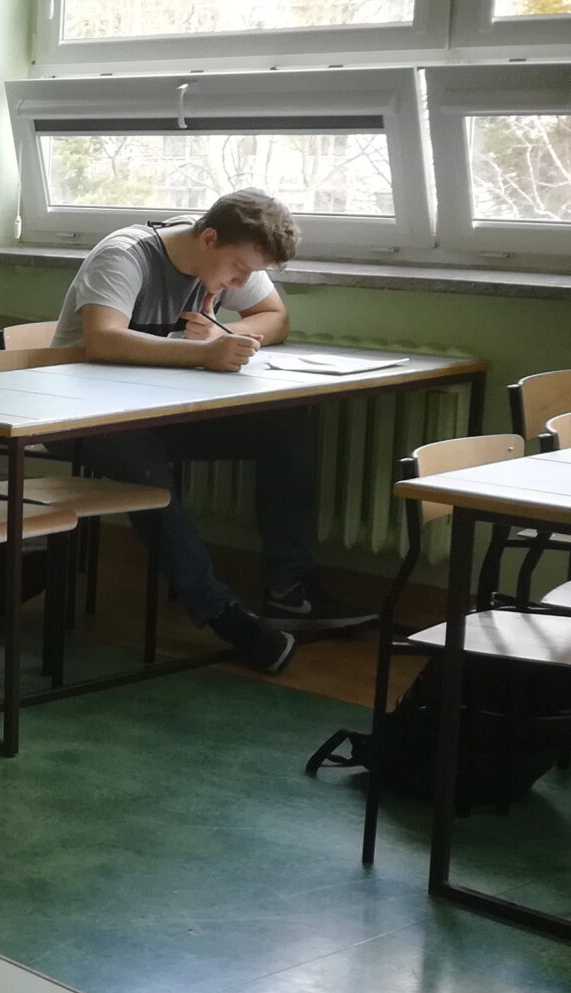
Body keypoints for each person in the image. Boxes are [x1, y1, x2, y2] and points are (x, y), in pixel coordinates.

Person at [52, 189, 374, 671]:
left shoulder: (229, 254)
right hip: (80, 416)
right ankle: (220, 611)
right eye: (238, 270)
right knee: (145, 469)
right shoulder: (123, 256)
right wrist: (202, 353)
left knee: (287, 427)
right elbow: (101, 340)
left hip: (159, 415)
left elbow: (276, 318)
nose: (241, 283)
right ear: (208, 239)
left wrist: (225, 334)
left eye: (248, 274)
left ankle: (289, 590)